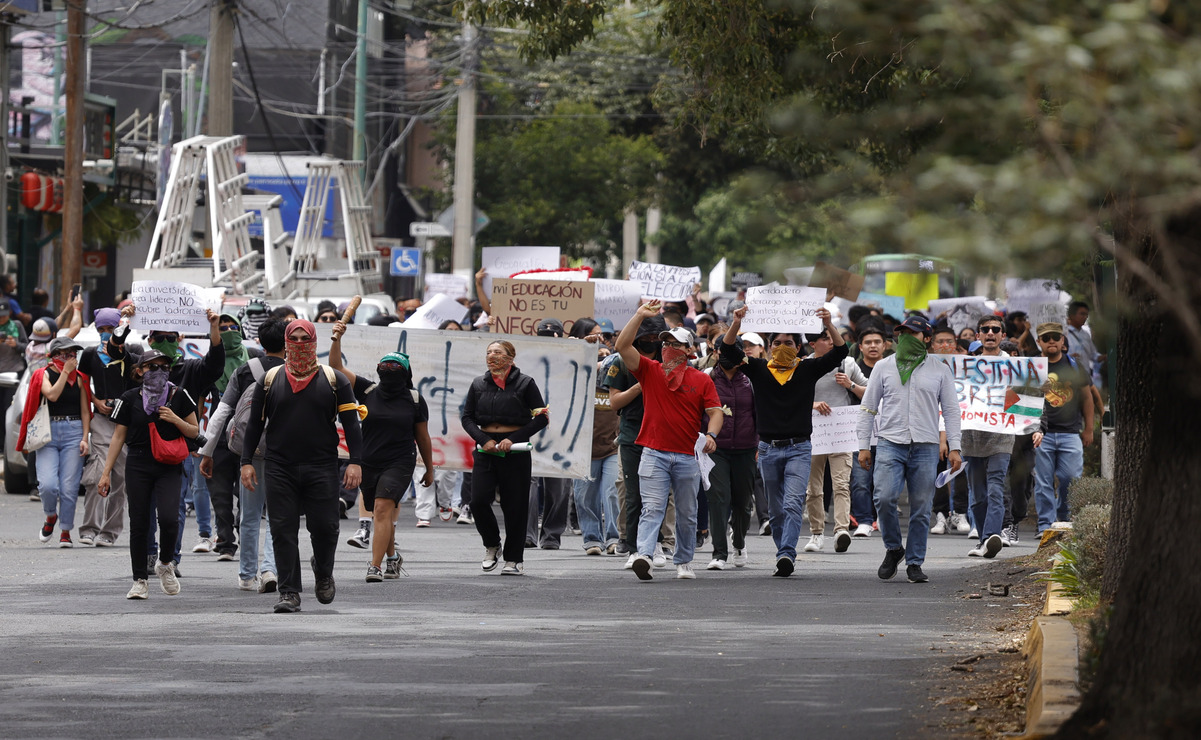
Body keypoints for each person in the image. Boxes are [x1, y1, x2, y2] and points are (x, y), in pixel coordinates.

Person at [239, 320, 364, 613]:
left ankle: (323, 572)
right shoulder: (269, 380)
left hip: (321, 466)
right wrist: (246, 462)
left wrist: (356, 462)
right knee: (283, 529)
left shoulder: (336, 380)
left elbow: (352, 425)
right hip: (279, 466)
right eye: (293, 338)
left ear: (314, 342)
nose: (298, 343)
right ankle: (289, 592)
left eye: (303, 338)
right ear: (285, 342)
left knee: (325, 527)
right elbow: (254, 426)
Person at [720, 304, 848, 577]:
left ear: (799, 347)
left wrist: (829, 324)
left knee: (792, 503)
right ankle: (784, 550)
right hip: (768, 450)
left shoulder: (808, 369)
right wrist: (736, 323)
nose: (781, 346)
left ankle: (786, 553)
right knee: (776, 510)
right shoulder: (757, 368)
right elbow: (729, 351)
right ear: (768, 347)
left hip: (799, 449)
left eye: (788, 342)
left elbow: (840, 351)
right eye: (776, 342)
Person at [616, 302, 723, 581]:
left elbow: (715, 412)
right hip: (653, 453)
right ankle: (644, 555)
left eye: (676, 343)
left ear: (689, 350)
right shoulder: (650, 371)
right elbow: (622, 346)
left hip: (688, 456)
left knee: (688, 513)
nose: (668, 347)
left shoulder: (701, 380)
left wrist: (711, 434)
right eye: (666, 342)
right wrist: (639, 314)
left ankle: (684, 561)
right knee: (651, 509)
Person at [857, 315, 962, 584]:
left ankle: (915, 561)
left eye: (912, 333)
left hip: (925, 446)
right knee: (883, 498)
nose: (905, 337)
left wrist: (955, 447)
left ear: (926, 339)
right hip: (890, 443)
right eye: (902, 332)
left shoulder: (940, 370)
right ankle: (894, 548)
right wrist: (863, 446)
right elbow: (868, 407)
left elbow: (950, 411)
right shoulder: (883, 366)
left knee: (921, 507)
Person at [330, 322, 434, 581]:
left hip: (399, 461)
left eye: (395, 367)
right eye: (384, 366)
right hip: (370, 461)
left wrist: (429, 469)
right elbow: (336, 369)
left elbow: (422, 436)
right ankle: (393, 558)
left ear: (405, 373)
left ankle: (374, 566)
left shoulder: (414, 400)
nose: (388, 370)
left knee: (382, 508)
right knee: (380, 513)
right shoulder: (367, 390)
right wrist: (337, 339)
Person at [97, 350, 201, 599]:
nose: (158, 371)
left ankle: (165, 563)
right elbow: (118, 436)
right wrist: (106, 472)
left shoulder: (179, 395)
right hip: (138, 462)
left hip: (168, 463)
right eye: (152, 367)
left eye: (164, 367)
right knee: (140, 522)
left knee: (168, 518)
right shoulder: (129, 398)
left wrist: (175, 419)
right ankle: (139, 580)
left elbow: (194, 431)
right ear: (140, 370)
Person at [199, 318, 286, 592]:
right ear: (288, 343)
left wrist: (207, 452)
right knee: (278, 515)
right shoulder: (295, 371)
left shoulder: (245, 370)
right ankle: (270, 568)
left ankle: (247, 575)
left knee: (249, 515)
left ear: (258, 342)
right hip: (286, 453)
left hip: (252, 452)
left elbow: (221, 414)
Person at [461, 339, 549, 576]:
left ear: (511, 357)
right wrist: (483, 439)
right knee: (478, 501)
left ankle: (514, 558)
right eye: (489, 352)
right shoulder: (478, 383)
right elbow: (467, 417)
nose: (492, 356)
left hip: (515, 449)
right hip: (486, 449)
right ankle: (492, 545)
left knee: (515, 506)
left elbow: (541, 417)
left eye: (498, 352)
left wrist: (514, 439)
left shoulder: (525, 383)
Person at [604, 313, 677, 565]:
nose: (649, 342)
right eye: (644, 337)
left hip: (661, 435)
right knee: (633, 493)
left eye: (655, 338)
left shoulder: (671, 361)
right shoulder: (623, 363)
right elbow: (614, 403)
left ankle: (657, 543)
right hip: (633, 435)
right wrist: (640, 385)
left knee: (658, 495)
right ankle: (635, 546)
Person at [196, 312, 262, 559]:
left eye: (231, 327)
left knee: (247, 488)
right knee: (219, 491)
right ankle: (224, 541)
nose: (226, 331)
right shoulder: (211, 364)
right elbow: (200, 399)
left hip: (250, 434)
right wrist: (199, 438)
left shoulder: (255, 359)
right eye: (221, 328)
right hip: (219, 433)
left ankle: (243, 530)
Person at [77, 307, 144, 547]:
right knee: (97, 475)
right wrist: (96, 401)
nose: (106, 334)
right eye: (101, 329)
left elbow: (140, 379)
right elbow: (83, 385)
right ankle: (89, 527)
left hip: (127, 423)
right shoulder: (89, 355)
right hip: (102, 421)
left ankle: (110, 531)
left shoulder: (133, 353)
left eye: (110, 329)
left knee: (121, 479)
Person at [18, 337, 91, 547]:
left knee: (69, 488)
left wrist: (85, 437)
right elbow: (52, 395)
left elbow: (86, 411)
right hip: (47, 432)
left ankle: (65, 531)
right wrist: (66, 372)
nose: (70, 358)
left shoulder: (80, 378)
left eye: (73, 354)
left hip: (73, 431)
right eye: (65, 354)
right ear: (55, 355)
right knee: (48, 485)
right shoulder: (43, 374)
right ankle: (51, 516)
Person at [803, 326, 868, 554]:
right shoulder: (804, 365)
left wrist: (850, 385)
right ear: (813, 344)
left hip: (841, 430)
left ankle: (841, 530)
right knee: (813, 488)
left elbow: (870, 392)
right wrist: (812, 404)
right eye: (825, 338)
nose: (831, 342)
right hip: (813, 432)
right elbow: (793, 398)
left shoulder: (847, 363)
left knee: (841, 483)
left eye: (833, 338)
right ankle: (816, 532)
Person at [1031, 322, 1094, 533]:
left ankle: (1065, 518)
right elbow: (1018, 397)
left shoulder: (1075, 366)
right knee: (1043, 482)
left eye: (1055, 338)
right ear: (1038, 341)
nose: (1051, 341)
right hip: (1041, 433)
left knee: (1071, 479)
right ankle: (1045, 525)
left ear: (1062, 340)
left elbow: (1087, 398)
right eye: (1046, 338)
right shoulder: (1031, 366)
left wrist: (1089, 428)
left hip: (1070, 432)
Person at [702, 337, 757, 570]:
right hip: (716, 448)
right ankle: (719, 553)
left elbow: (760, 411)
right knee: (718, 498)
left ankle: (739, 542)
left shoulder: (752, 379)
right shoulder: (707, 377)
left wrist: (759, 443)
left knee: (743, 502)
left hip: (746, 448)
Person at [962, 315, 1013, 559]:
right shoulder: (966, 367)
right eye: (986, 329)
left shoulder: (1017, 367)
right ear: (978, 335)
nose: (991, 333)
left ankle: (993, 535)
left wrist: (1035, 427)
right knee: (978, 494)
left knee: (995, 488)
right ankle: (984, 539)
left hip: (1002, 437)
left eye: (996, 329)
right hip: (971, 438)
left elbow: (1029, 402)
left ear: (1003, 336)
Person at [572, 337, 622, 556]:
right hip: (583, 450)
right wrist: (584, 346)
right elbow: (566, 361)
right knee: (584, 497)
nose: (602, 362)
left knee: (612, 493)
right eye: (597, 357)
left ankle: (614, 538)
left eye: (606, 357)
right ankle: (592, 539)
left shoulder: (618, 383)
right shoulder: (580, 381)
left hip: (612, 448)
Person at [929, 323, 972, 536]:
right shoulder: (926, 367)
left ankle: (960, 512)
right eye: (940, 341)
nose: (945, 345)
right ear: (932, 345)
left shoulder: (966, 369)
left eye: (949, 342)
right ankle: (940, 514)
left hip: (959, 427)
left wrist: (948, 436)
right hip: (931, 427)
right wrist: (940, 437)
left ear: (955, 345)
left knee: (959, 469)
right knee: (937, 470)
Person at [849, 323, 886, 537]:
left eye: (877, 342)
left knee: (884, 481)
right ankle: (863, 520)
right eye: (868, 342)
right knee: (860, 480)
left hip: (887, 433)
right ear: (860, 347)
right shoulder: (854, 370)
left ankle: (882, 517)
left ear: (885, 345)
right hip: (859, 433)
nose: (873, 346)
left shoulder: (892, 368)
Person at [0, 302, 29, 453]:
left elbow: (27, 347)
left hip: (14, 373)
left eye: (4, 316)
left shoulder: (16, 326)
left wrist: (15, 344)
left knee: (8, 410)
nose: (2, 320)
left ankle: (7, 446)